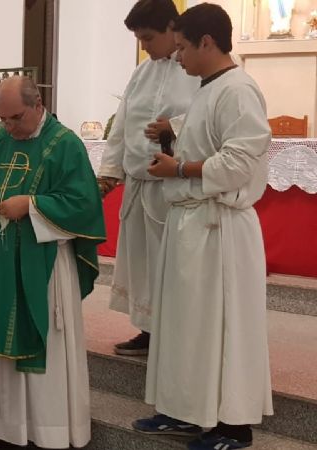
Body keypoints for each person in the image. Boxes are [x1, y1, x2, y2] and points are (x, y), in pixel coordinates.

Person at [133, 4, 274, 450]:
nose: (176, 58)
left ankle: (233, 428)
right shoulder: (210, 88)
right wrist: (173, 135)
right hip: (192, 226)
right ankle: (188, 413)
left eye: (182, 48)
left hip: (219, 230)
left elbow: (238, 161)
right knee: (186, 329)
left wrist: (179, 169)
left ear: (207, 42)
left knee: (220, 331)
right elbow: (209, 138)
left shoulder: (239, 90)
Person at [0, 76, 105, 450]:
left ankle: (45, 432)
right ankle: (2, 429)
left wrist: (32, 205)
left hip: (44, 265)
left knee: (42, 348)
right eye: (1, 119)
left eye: (15, 118)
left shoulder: (64, 144)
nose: (8, 127)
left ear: (38, 104)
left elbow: (83, 204)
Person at [97, 0, 200, 356]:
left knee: (168, 264)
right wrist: (109, 172)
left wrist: (175, 126)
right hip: (139, 185)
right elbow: (122, 124)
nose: (144, 46)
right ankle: (147, 328)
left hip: (172, 186)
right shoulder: (142, 72)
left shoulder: (198, 69)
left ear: (174, 28)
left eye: (149, 37)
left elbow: (210, 119)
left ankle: (173, 333)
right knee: (141, 262)